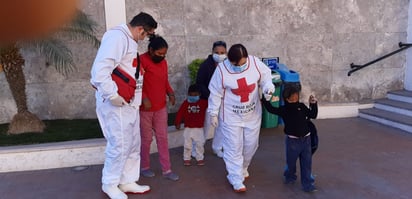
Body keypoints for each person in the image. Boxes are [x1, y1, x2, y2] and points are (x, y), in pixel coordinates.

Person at [90, 12, 157, 199]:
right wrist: (112, 94)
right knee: (119, 144)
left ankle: (127, 180)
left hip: (129, 102)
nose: (145, 39)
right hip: (116, 102)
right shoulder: (117, 37)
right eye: (146, 35)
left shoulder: (128, 39)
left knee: (133, 143)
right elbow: (99, 71)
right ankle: (110, 183)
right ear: (140, 29)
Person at [207, 44, 275, 192]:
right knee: (233, 148)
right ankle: (235, 178)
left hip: (252, 115)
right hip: (230, 116)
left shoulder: (255, 62)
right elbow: (215, 92)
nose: (240, 67)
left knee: (251, 145)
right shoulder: (222, 70)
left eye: (243, 63)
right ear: (230, 61)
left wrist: (268, 87)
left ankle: (243, 168)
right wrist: (213, 112)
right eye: (237, 64)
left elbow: (266, 77)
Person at [261, 86, 318, 193]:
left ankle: (308, 184)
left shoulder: (301, 106)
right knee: (291, 163)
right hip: (293, 142)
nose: (296, 97)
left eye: (297, 95)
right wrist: (265, 99)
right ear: (287, 98)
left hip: (306, 140)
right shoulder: (284, 109)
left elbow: (313, 115)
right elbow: (271, 109)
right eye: (293, 96)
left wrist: (313, 104)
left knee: (307, 163)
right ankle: (290, 176)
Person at [139, 35, 179, 181]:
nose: (161, 56)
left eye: (164, 54)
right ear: (150, 50)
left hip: (160, 108)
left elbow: (164, 80)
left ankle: (166, 169)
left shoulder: (163, 63)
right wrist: (144, 97)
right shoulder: (141, 61)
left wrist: (170, 93)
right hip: (145, 109)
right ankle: (144, 167)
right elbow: (137, 83)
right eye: (159, 53)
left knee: (163, 138)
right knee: (146, 139)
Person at [196, 40, 227, 158]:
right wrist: (211, 96)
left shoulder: (228, 65)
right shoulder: (205, 65)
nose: (219, 55)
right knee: (206, 125)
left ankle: (217, 147)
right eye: (217, 52)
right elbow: (200, 83)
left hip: (224, 102)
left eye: (222, 52)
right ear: (212, 52)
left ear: (226, 53)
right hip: (209, 100)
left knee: (221, 126)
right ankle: (198, 148)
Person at [174, 84, 208, 166]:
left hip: (199, 129)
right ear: (188, 94)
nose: (192, 97)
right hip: (188, 128)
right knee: (187, 145)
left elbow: (212, 104)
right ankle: (186, 158)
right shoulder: (185, 103)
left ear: (199, 95)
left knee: (200, 144)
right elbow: (180, 113)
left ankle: (200, 158)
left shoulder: (203, 103)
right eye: (190, 95)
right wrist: (177, 123)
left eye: (195, 95)